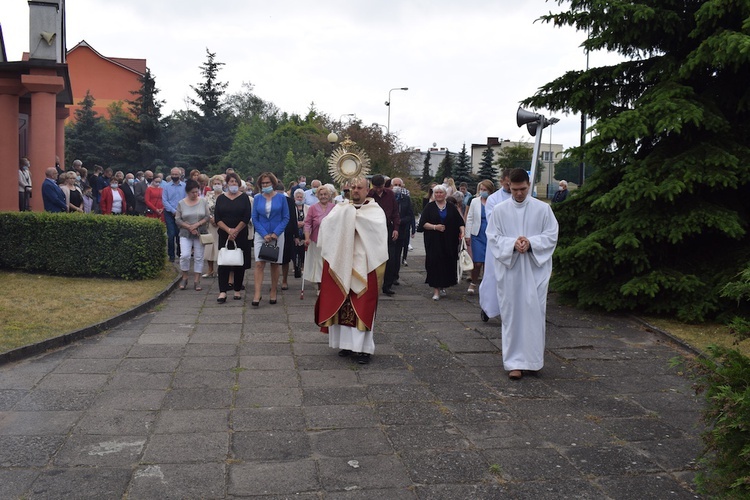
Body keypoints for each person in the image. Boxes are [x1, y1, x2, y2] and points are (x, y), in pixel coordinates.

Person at [485, 169, 559, 380]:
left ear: (529, 185)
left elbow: (551, 235)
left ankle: (533, 361)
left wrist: (531, 242)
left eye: (523, 189)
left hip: (535, 270)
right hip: (511, 271)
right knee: (512, 314)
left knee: (535, 314)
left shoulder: (543, 209)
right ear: (508, 186)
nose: (519, 194)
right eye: (515, 189)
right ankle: (514, 363)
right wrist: (512, 244)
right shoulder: (500, 210)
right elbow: (493, 237)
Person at [314, 176, 388, 365]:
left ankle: (363, 349)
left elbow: (378, 234)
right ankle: (345, 345)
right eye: (353, 187)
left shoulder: (375, 211)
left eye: (359, 187)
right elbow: (326, 228)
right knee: (342, 304)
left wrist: (353, 222)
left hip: (365, 263)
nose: (355, 190)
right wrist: (345, 220)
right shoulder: (340, 209)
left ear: (367, 189)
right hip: (342, 261)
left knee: (363, 305)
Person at [417, 184, 465, 300]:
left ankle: (443, 285)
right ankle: (436, 290)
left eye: (441, 193)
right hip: (434, 241)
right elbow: (422, 223)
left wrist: (463, 232)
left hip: (449, 241)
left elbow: (460, 222)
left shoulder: (451, 207)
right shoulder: (429, 207)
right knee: (435, 263)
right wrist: (435, 227)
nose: (438, 195)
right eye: (436, 193)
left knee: (447, 262)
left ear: (445, 194)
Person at [251, 172, 290, 306]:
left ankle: (273, 291)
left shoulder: (281, 198)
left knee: (274, 264)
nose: (265, 185)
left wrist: (276, 233)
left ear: (273, 183)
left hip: (277, 235)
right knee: (259, 263)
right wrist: (263, 233)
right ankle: (257, 293)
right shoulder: (257, 198)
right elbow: (254, 218)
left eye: (267, 183)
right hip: (261, 234)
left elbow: (286, 217)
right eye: (263, 183)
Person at [214, 173, 252, 303]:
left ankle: (237, 289)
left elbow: (246, 217)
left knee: (238, 262)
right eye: (231, 182)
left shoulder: (244, 198)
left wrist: (236, 230)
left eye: (236, 182)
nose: (233, 184)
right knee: (223, 262)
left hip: (240, 233)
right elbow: (217, 218)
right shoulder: (221, 199)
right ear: (227, 183)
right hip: (224, 233)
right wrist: (228, 230)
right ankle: (223, 291)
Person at [175, 179, 210, 291]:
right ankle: (184, 277)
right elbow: (178, 219)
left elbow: (207, 216)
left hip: (200, 232)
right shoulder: (181, 203)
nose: (195, 194)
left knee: (199, 256)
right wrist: (189, 227)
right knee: (184, 255)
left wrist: (197, 225)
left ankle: (197, 280)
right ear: (187, 192)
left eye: (197, 192)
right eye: (193, 192)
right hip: (186, 232)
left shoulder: (203, 201)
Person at [368, 174, 400, 296]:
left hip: (388, 228)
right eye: (376, 187)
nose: (378, 190)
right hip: (373, 230)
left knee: (390, 258)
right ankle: (373, 285)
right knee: (373, 259)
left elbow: (396, 212)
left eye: (380, 187)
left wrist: (396, 228)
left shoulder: (390, 194)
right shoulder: (369, 195)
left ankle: (387, 286)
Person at [304, 183, 336, 295]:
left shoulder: (334, 208)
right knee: (318, 264)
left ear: (329, 195)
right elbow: (307, 224)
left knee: (329, 264)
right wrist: (307, 237)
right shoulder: (313, 208)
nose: (323, 196)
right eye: (321, 194)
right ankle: (320, 286)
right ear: (317, 196)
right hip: (316, 240)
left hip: (331, 241)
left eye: (325, 194)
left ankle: (329, 285)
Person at [464, 179, 495, 294]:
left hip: (490, 234)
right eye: (481, 189)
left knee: (488, 261)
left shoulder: (494, 202)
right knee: (477, 262)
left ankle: (486, 284)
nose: (482, 192)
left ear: (490, 191)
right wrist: (467, 235)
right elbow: (470, 218)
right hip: (477, 233)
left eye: (485, 190)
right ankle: (473, 282)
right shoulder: (475, 201)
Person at [390, 177, 414, 284]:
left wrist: (400, 221)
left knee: (397, 254)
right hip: (389, 229)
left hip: (401, 230)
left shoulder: (406, 199)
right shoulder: (387, 198)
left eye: (399, 185)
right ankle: (387, 276)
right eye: (395, 185)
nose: (397, 187)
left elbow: (410, 215)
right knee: (390, 255)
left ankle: (395, 276)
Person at [202, 175, 224, 278]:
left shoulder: (225, 195)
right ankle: (210, 269)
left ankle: (221, 269)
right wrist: (211, 218)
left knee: (220, 246)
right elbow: (205, 208)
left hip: (222, 225)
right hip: (210, 224)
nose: (217, 185)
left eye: (219, 183)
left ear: (223, 184)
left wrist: (219, 220)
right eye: (215, 184)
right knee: (209, 246)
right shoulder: (208, 195)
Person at [163, 167, 186, 262]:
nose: (174, 176)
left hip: (181, 213)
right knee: (171, 234)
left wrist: (179, 211)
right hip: (169, 213)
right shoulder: (166, 186)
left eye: (176, 175)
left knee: (179, 234)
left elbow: (186, 199)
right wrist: (173, 211)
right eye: (173, 174)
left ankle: (180, 254)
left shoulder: (184, 186)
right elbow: (164, 200)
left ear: (180, 175)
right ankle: (171, 255)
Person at [278, 182, 297, 291]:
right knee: (273, 258)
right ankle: (274, 280)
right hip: (273, 232)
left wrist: (296, 234)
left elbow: (293, 218)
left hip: (287, 232)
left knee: (285, 259)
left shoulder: (289, 201)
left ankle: (284, 280)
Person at [290, 189, 308, 279]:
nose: (299, 198)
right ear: (294, 197)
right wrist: (296, 223)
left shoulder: (307, 208)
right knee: (294, 250)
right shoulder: (292, 207)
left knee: (303, 251)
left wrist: (304, 223)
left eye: (301, 197)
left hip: (304, 232)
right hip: (295, 231)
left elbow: (309, 219)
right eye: (298, 197)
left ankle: (303, 267)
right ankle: (295, 266)